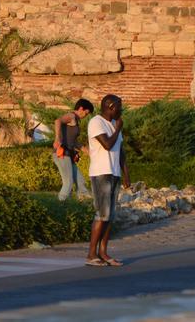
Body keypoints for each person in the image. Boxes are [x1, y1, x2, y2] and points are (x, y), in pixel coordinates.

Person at [86, 94, 130, 267]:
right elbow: (107, 144)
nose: (121, 110)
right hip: (100, 173)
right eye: (119, 106)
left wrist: (126, 175)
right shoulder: (96, 122)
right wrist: (118, 128)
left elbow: (121, 151)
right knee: (102, 214)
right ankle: (91, 255)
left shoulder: (113, 124)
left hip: (114, 173)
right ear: (110, 106)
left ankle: (103, 252)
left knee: (110, 216)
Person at [52, 98, 94, 201]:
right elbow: (58, 121)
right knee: (68, 183)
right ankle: (60, 205)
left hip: (69, 155)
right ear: (81, 108)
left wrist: (88, 152)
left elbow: (74, 142)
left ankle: (85, 203)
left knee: (80, 181)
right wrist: (57, 138)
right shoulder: (71, 116)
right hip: (62, 154)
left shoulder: (76, 121)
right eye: (86, 113)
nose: (86, 116)